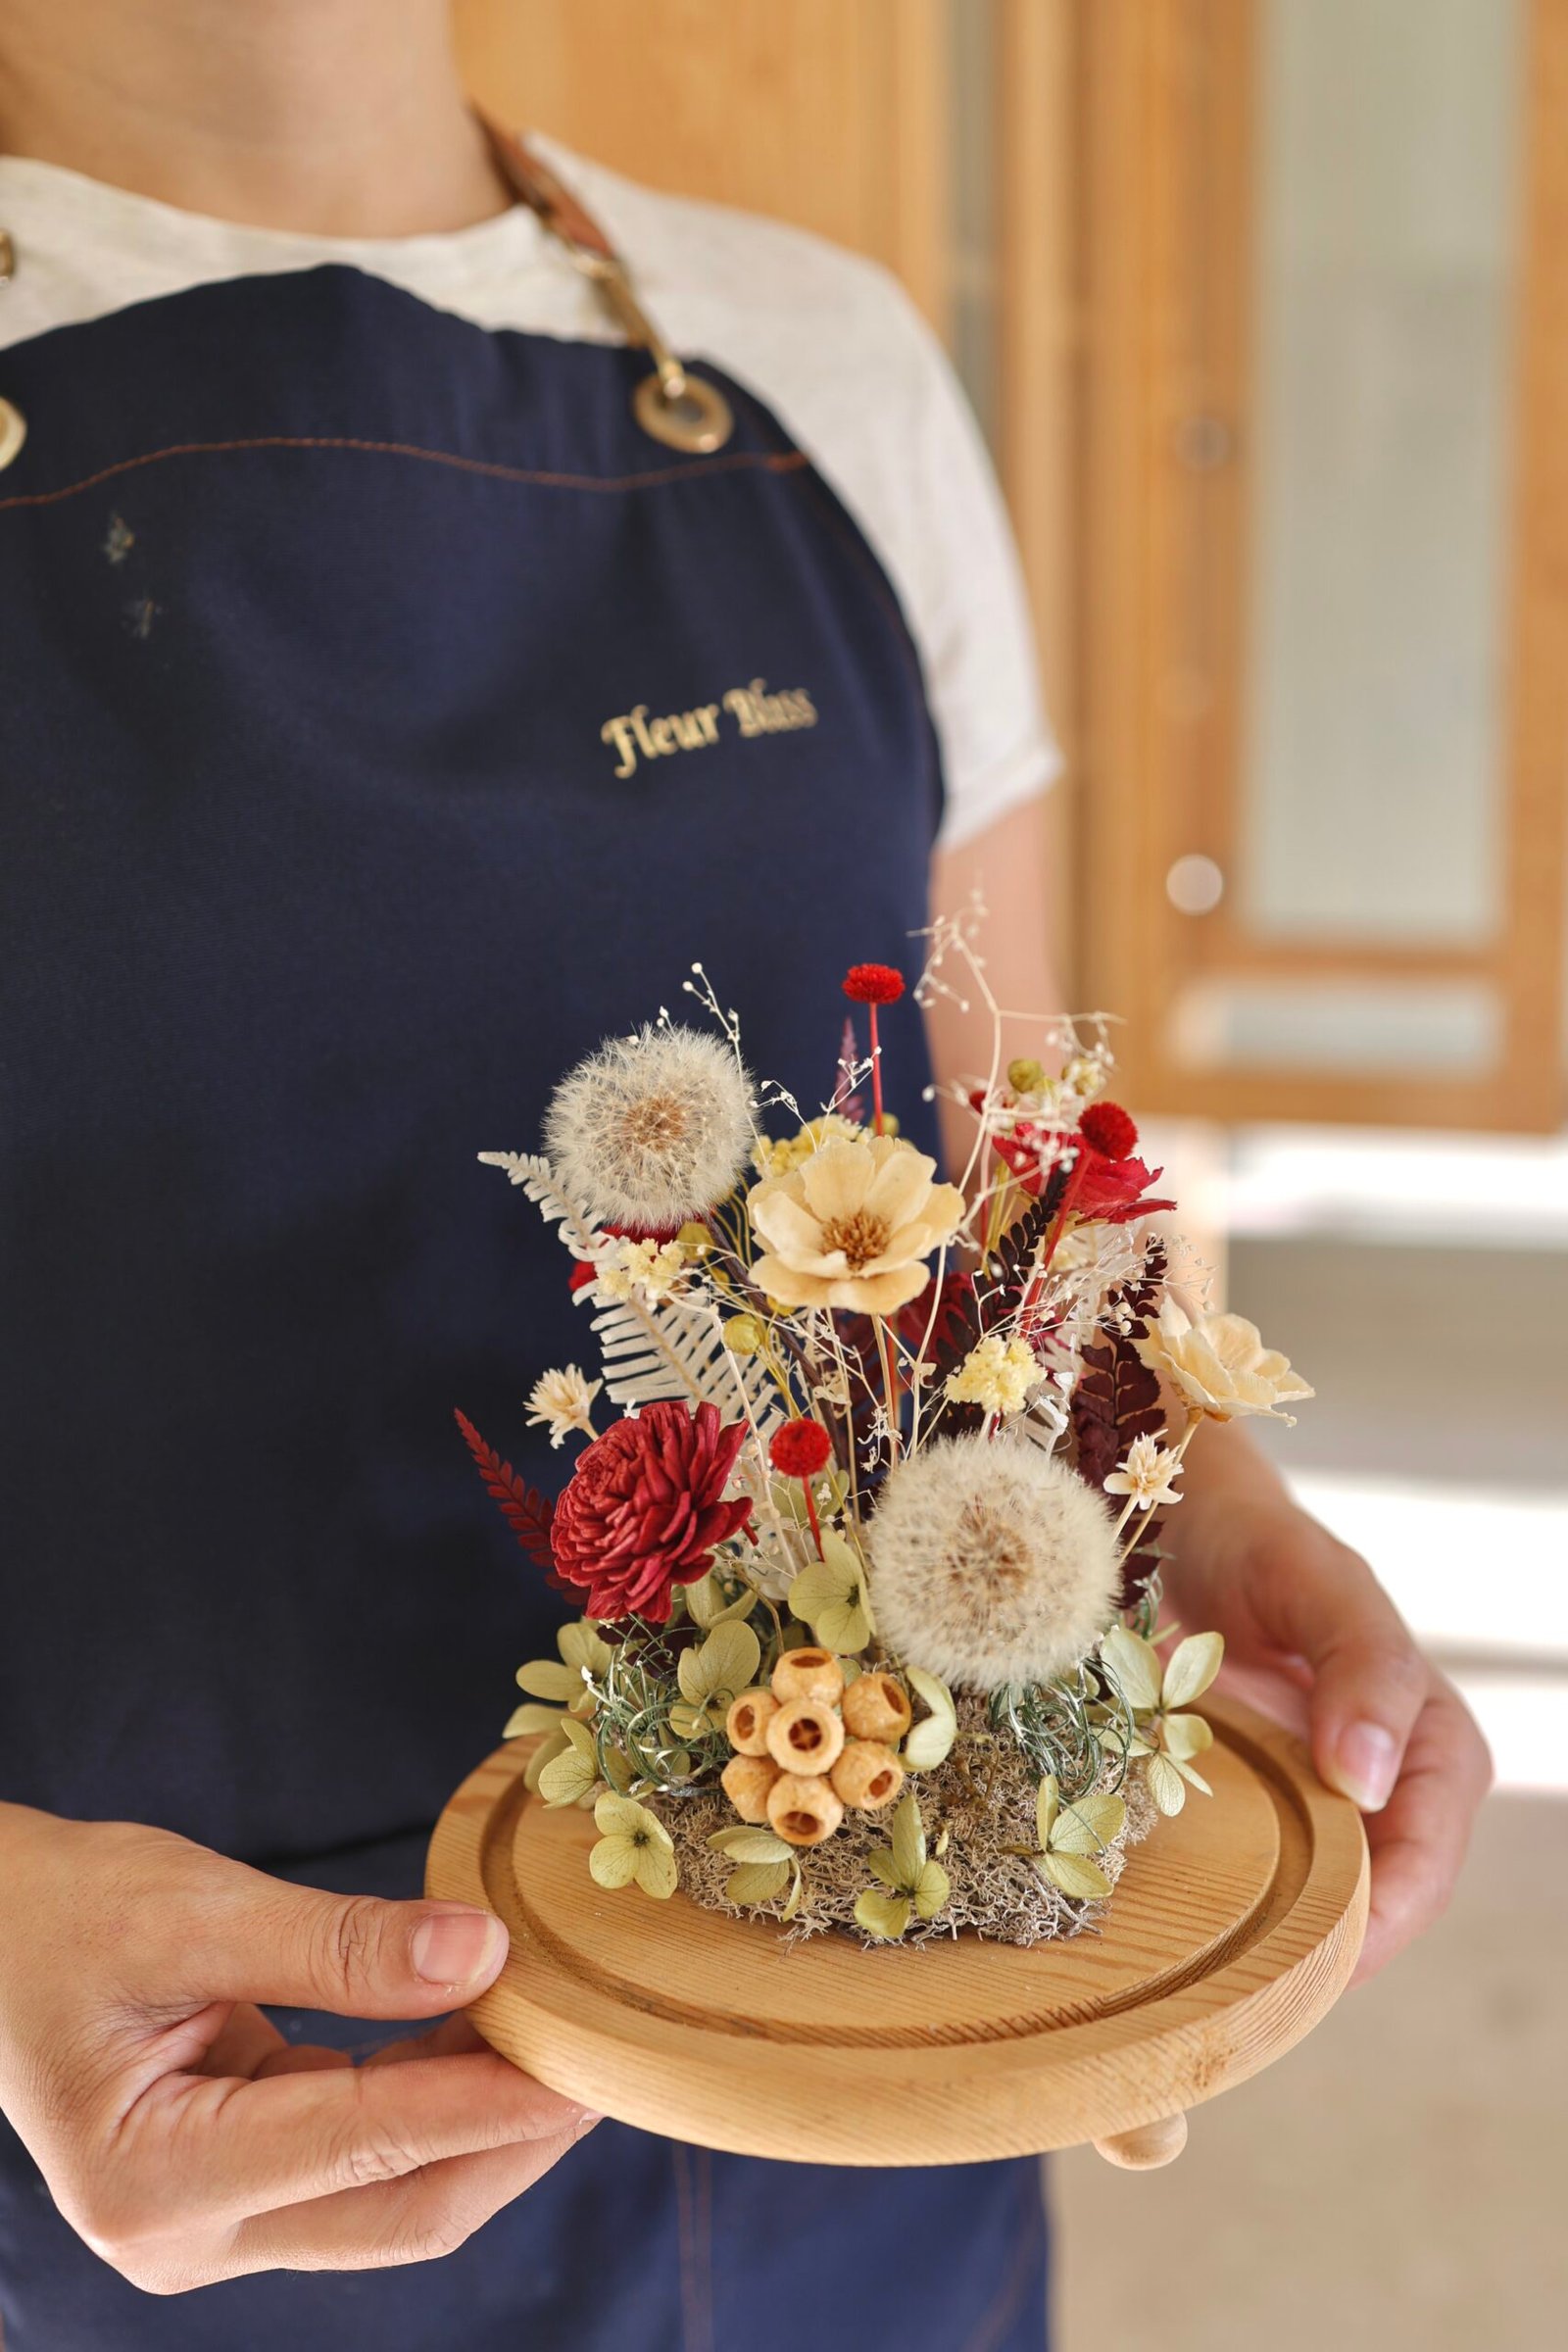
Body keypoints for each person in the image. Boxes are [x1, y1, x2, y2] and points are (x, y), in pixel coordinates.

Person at [0, 3, 1493, 2345]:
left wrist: (1187, 1498)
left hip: (876, 2085)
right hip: (183, 2132)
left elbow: (1030, 1205)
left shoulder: (816, 365)